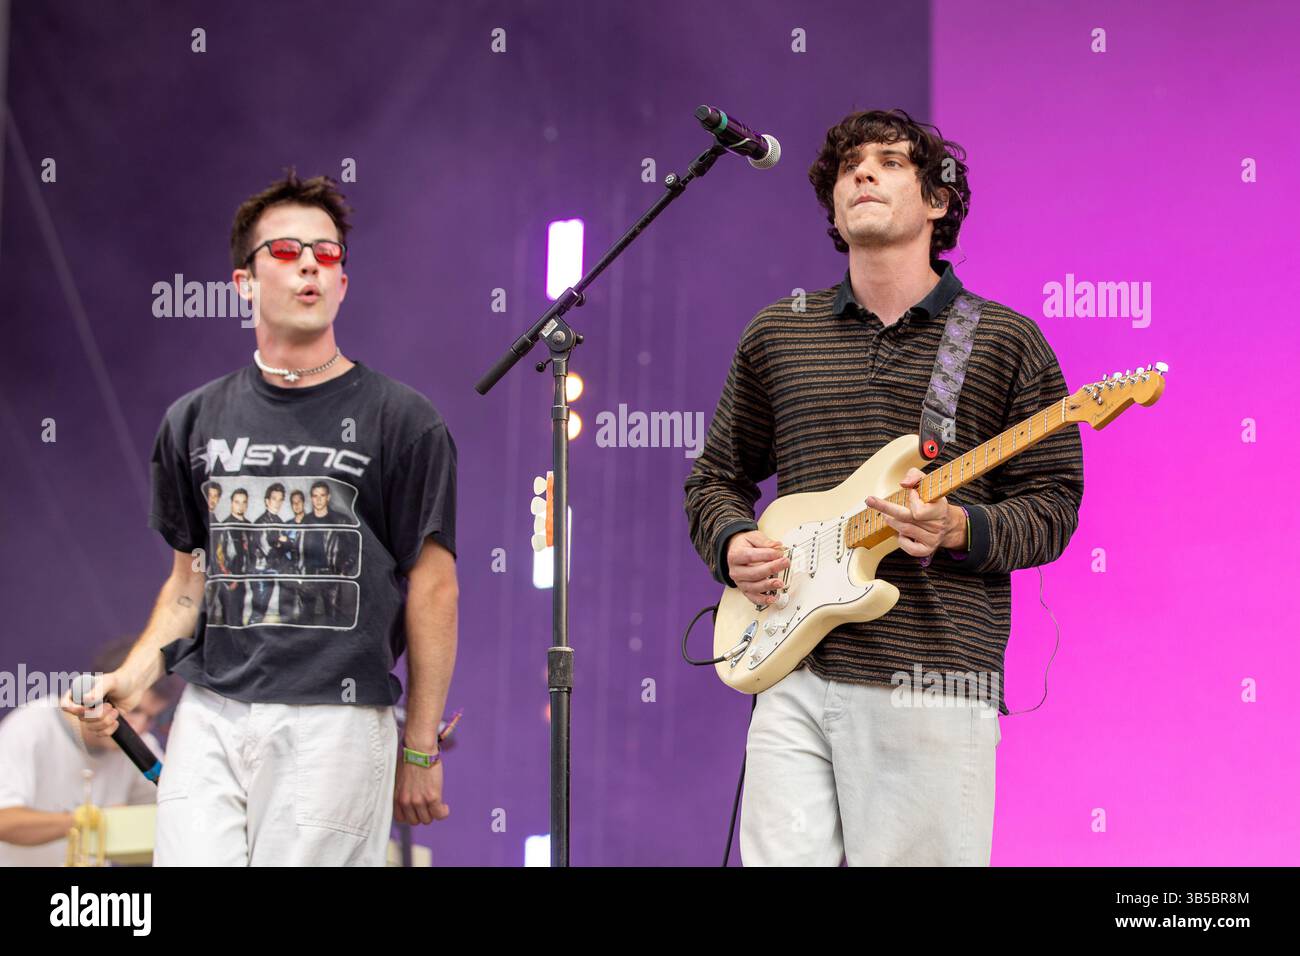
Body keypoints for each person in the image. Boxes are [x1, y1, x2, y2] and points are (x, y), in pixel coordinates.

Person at [684, 109, 1084, 866]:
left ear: (938, 200)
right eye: (848, 166)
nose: (862, 173)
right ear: (833, 204)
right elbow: (716, 477)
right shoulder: (779, 332)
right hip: (792, 667)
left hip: (930, 672)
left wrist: (963, 528)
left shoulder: (1003, 339)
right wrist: (733, 541)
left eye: (891, 162)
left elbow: (1055, 505)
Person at [64, 171, 459, 866]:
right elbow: (190, 585)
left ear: (342, 283)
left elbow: (434, 589)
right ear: (243, 283)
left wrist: (421, 746)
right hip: (211, 710)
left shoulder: (403, 418)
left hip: (333, 720)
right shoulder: (193, 419)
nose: (310, 263)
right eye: (285, 251)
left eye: (327, 253)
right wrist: (129, 680)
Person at [0, 637, 173, 866]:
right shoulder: (32, 725)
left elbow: (172, 809)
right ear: (97, 693)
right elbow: (4, 820)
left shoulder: (142, 744)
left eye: (151, 717)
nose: (139, 726)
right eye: (133, 710)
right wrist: (83, 821)